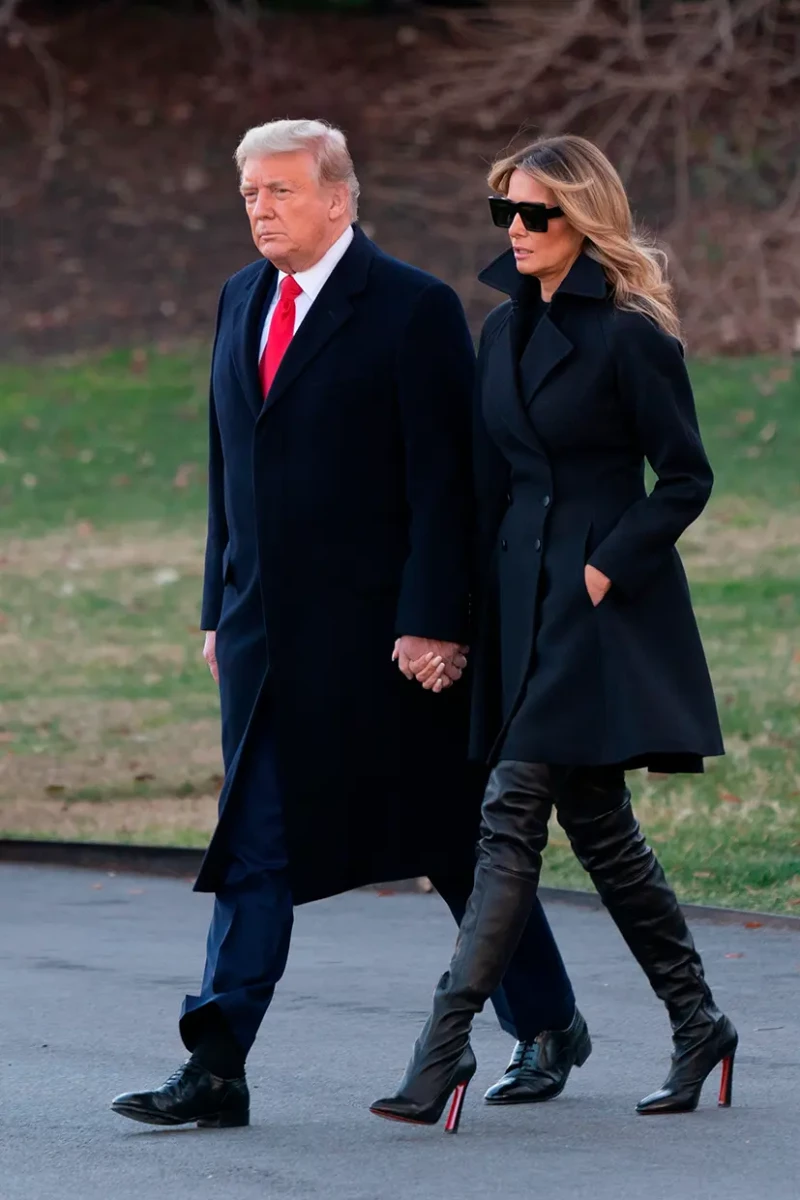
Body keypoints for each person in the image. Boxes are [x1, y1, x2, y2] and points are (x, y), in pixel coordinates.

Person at [111, 120, 587, 1129]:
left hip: (388, 645)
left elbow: (446, 486)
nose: (259, 208)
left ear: (339, 198)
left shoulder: (410, 310)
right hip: (262, 643)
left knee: (450, 840)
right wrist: (215, 606)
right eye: (249, 191)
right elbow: (228, 472)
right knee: (258, 841)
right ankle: (218, 1060)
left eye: (280, 190)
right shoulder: (239, 300)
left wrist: (435, 622)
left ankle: (545, 1022)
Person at [371, 134, 737, 1134]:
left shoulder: (628, 337)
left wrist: (603, 561)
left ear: (584, 219)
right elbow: (485, 485)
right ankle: (697, 1021)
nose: (518, 230)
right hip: (517, 604)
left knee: (508, 808)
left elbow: (686, 479)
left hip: (595, 609)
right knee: (602, 832)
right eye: (506, 212)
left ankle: (437, 1052)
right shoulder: (499, 332)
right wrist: (456, 619)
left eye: (536, 214)